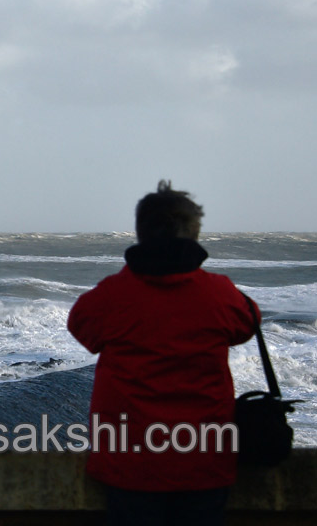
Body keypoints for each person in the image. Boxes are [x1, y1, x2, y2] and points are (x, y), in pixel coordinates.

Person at [67, 181, 257, 526]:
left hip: (130, 459)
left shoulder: (111, 296)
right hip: (204, 456)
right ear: (194, 234)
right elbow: (248, 324)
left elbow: (82, 327)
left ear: (140, 233)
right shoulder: (220, 294)